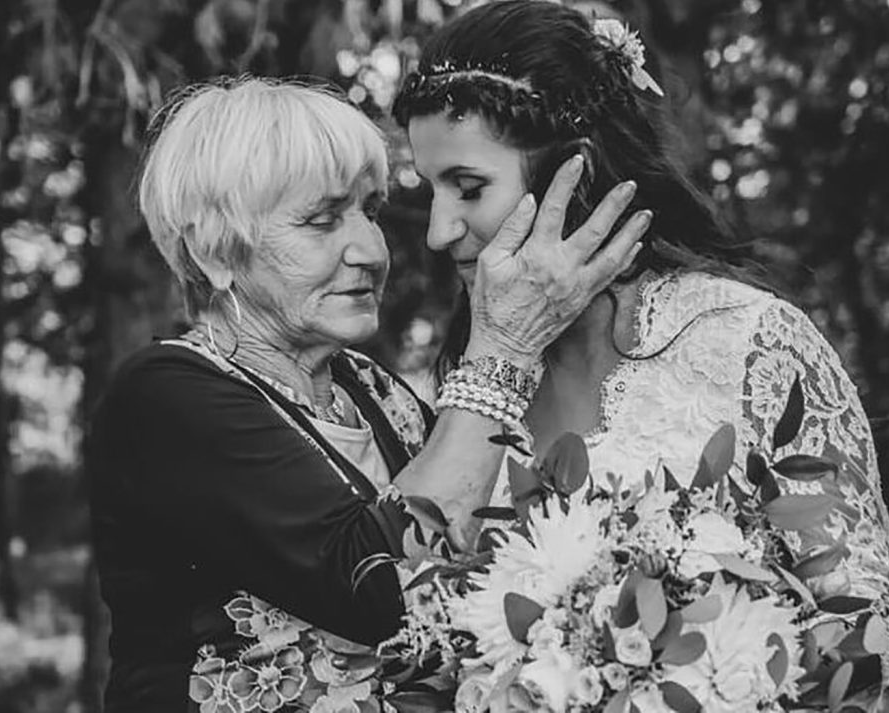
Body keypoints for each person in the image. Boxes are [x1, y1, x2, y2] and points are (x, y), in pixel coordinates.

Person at [392, 0, 889, 690]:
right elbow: (410, 605)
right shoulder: (472, 380)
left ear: (571, 177)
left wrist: (711, 684)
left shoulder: (749, 341)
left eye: (467, 188)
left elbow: (874, 616)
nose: (437, 231)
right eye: (430, 189)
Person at [88, 76, 649, 712]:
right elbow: (380, 585)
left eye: (371, 212)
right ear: (212, 251)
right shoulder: (165, 401)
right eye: (322, 220)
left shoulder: (374, 389)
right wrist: (504, 350)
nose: (372, 250)